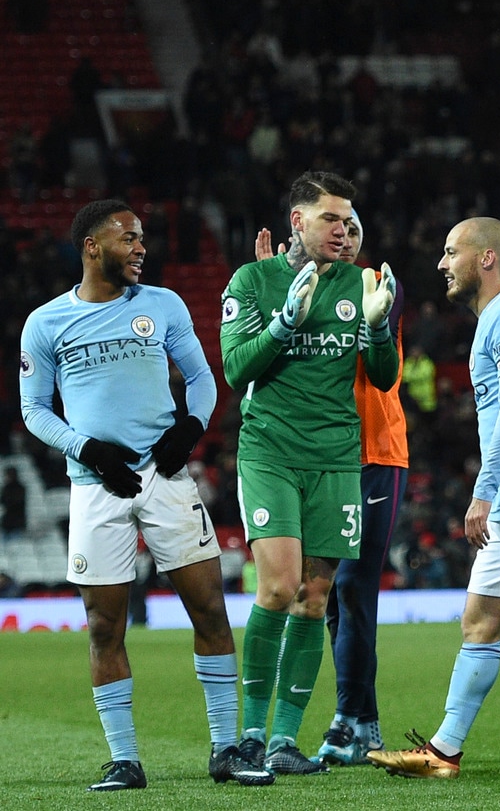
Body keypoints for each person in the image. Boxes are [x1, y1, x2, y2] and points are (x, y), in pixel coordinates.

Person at [20, 199, 273, 790]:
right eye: (128, 238)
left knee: (209, 608)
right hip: (96, 488)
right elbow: (34, 410)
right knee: (104, 627)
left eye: (142, 239)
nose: (140, 247)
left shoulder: (163, 305)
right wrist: (87, 449)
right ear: (91, 246)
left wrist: (190, 429)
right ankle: (125, 758)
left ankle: (226, 750)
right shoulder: (46, 322)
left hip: (165, 479)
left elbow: (205, 378)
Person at [366, 217, 500, 778]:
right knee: (479, 620)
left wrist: (482, 493)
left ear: (486, 259)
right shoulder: (494, 322)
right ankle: (444, 751)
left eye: (450, 251)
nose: (441, 263)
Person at [220, 171, 400, 775]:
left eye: (350, 223)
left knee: (315, 594)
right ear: (299, 222)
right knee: (276, 587)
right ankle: (247, 736)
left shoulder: (358, 282)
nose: (344, 231)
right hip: (270, 451)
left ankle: (284, 742)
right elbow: (236, 370)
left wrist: (377, 328)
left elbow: (380, 377)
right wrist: (283, 324)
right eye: (332, 220)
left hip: (337, 458)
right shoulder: (254, 280)